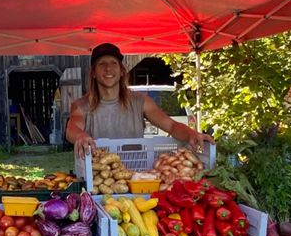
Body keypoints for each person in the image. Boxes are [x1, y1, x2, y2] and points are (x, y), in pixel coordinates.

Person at [66, 43, 214, 162]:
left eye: (114, 63)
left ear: (122, 70)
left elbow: (171, 125)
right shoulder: (82, 105)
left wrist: (191, 134)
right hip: (98, 175)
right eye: (102, 64)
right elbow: (72, 128)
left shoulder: (140, 101)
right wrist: (80, 135)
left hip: (136, 172)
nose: (108, 68)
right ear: (93, 73)